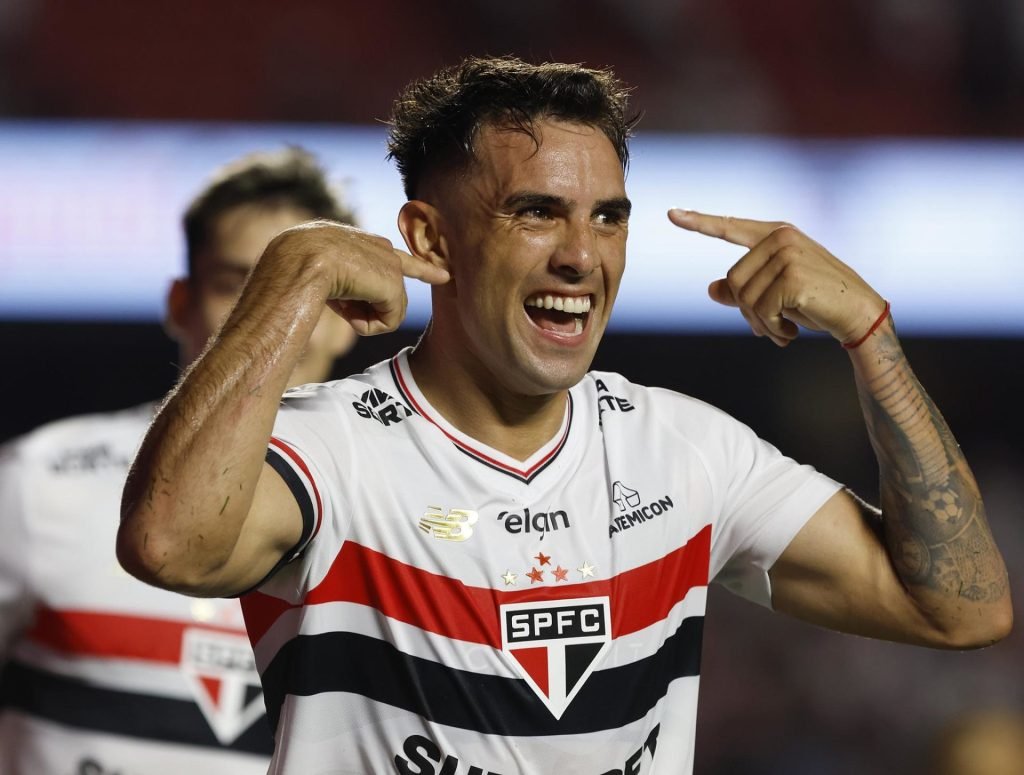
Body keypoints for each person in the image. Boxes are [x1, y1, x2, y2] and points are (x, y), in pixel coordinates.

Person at [116, 57, 1012, 774]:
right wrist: (289, 278)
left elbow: (960, 610)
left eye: (608, 217)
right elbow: (167, 544)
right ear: (428, 237)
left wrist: (869, 335)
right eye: (537, 213)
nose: (583, 255)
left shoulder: (685, 449)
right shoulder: (328, 446)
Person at [0, 147, 358, 775]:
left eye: (304, 292)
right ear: (179, 302)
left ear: (350, 318)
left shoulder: (412, 507)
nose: (269, 321)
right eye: (238, 287)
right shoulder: (39, 480)